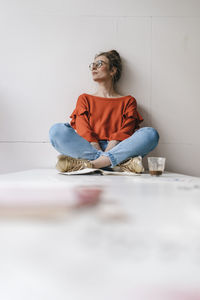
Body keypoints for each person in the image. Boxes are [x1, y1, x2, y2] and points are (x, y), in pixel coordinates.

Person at [49, 50, 159, 173]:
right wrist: (99, 149)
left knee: (150, 134)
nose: (93, 67)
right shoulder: (84, 98)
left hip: (119, 148)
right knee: (56, 131)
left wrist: (109, 151)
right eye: (92, 65)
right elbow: (82, 127)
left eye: (99, 63)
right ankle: (118, 164)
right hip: (88, 148)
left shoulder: (128, 101)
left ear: (112, 70)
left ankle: (91, 165)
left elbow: (126, 130)